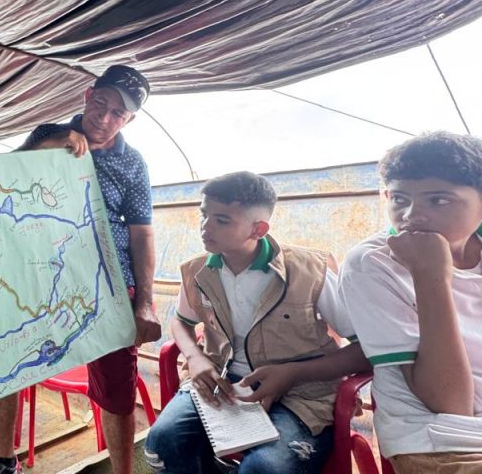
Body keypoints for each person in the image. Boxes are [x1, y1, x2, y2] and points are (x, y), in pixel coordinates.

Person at [0, 65, 162, 474]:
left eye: (119, 112)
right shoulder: (48, 134)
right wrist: (55, 143)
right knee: (3, 360)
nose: (105, 117)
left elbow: (142, 235)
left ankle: (121, 472)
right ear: (87, 94)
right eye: (102, 103)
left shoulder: (132, 164)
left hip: (108, 286)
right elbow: (2, 179)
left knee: (117, 386)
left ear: (129, 120)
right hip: (36, 277)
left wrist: (146, 302)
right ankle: (3, 460)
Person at [144, 171, 370, 474]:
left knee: (264, 469)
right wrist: (196, 358)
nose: (205, 227)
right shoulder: (198, 271)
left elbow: (363, 349)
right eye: (203, 215)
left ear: (258, 229)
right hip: (222, 384)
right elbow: (180, 322)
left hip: (302, 391)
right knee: (162, 444)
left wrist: (290, 374)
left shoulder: (308, 271)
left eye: (222, 220)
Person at [338, 132, 482, 473]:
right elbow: (450, 402)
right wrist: (430, 275)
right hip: (443, 439)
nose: (412, 215)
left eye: (439, 201)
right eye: (399, 199)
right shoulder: (372, 263)